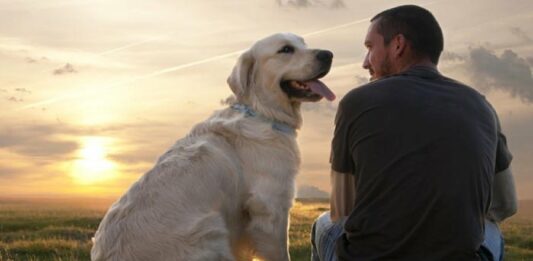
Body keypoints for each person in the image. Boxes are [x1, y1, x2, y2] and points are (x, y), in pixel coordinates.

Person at [311, 5, 518, 261]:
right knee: (491, 230)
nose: (365, 62)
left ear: (398, 44)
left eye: (369, 48)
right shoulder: (482, 106)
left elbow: (341, 209)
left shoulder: (357, 101)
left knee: (323, 225)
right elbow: (506, 204)